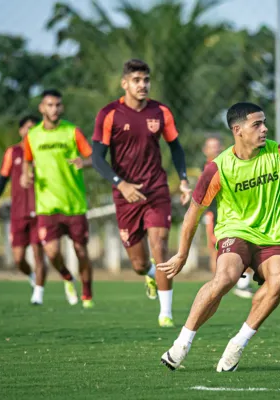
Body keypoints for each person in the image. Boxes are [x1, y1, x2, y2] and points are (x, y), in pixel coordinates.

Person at [158, 102, 280, 372]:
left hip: (274, 237)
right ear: (238, 130)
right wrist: (182, 253)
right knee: (226, 277)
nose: (265, 129)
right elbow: (194, 212)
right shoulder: (217, 168)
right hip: (235, 232)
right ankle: (182, 342)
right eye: (257, 124)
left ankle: (238, 344)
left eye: (264, 123)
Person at [92, 59, 192, 327]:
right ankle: (149, 274)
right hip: (125, 196)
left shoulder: (161, 112)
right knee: (137, 264)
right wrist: (121, 184)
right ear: (124, 83)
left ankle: (166, 313)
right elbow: (97, 158)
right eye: (136, 80)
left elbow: (176, 148)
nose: (142, 85)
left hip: (156, 190)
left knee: (159, 247)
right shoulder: (109, 114)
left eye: (146, 80)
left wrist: (183, 181)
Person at [21, 89, 93, 308]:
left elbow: (93, 158)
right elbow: (27, 160)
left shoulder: (72, 132)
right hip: (47, 206)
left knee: (81, 251)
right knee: (52, 253)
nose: (54, 109)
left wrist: (84, 162)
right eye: (50, 105)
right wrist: (26, 174)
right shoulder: (32, 136)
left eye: (57, 105)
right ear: (42, 108)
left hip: (74, 204)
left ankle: (87, 293)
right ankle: (67, 276)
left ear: (61, 107)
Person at [0, 115, 49, 304]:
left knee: (38, 254)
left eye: (35, 128)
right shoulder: (13, 152)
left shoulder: (43, 151)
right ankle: (32, 276)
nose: (31, 131)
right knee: (18, 258)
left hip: (40, 211)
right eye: (28, 128)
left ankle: (38, 294)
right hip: (18, 213)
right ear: (21, 130)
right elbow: (3, 178)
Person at [202, 136, 254, 299]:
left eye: (218, 146)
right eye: (212, 146)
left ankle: (243, 284)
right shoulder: (208, 168)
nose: (216, 149)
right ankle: (217, 284)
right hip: (215, 215)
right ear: (206, 150)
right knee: (215, 250)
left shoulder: (232, 163)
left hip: (235, 214)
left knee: (245, 246)